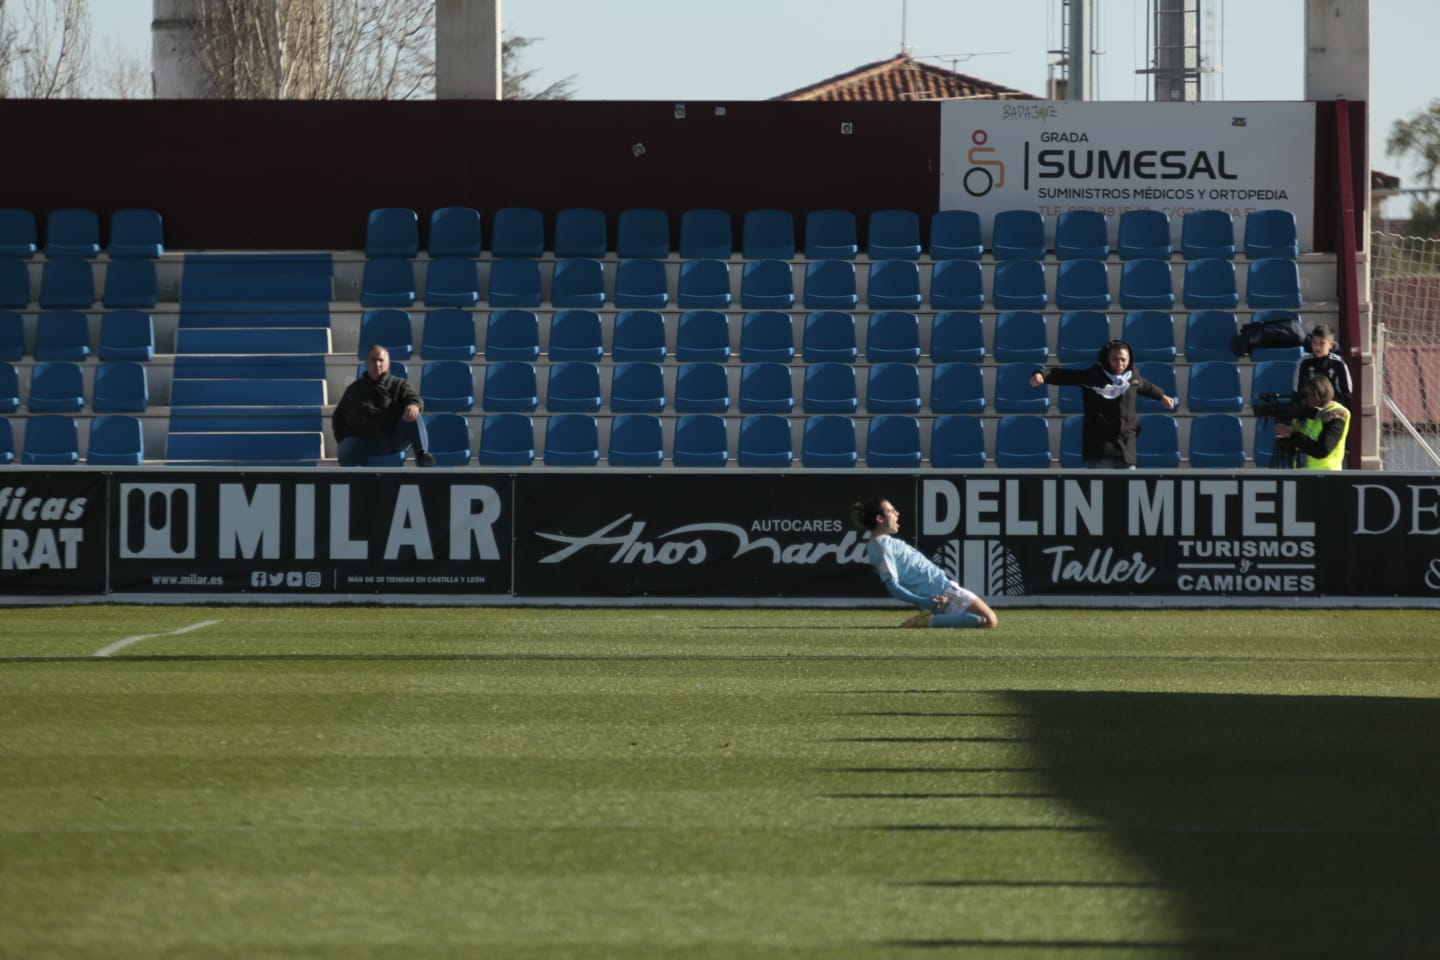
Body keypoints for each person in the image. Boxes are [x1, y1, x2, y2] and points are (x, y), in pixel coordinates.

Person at [851, 497, 998, 629]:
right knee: (990, 621)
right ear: (880, 519)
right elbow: (893, 586)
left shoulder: (885, 543)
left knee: (984, 621)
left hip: (944, 593)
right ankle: (928, 621)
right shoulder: (881, 546)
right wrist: (925, 602)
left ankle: (930, 620)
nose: (897, 513)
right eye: (891, 511)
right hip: (943, 594)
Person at [1029, 339, 1177, 468]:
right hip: (1099, 448)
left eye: (1123, 360)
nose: (1120, 364)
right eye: (1115, 359)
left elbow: (1146, 386)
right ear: (1107, 359)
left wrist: (1162, 396)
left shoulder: (1133, 378)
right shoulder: (1093, 377)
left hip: (1126, 447)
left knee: (1126, 495)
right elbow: (1065, 376)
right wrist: (1041, 375)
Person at [333, 345, 436, 466]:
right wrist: (343, 437)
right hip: (361, 441)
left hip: (391, 440)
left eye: (381, 360)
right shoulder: (354, 389)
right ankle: (357, 479)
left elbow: (413, 397)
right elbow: (338, 417)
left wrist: (413, 405)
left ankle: (422, 455)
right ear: (367, 363)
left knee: (414, 415)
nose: (377, 364)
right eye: (373, 360)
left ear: (388, 364)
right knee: (345, 449)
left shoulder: (399, 384)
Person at [1274, 375, 1350, 470]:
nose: (1305, 399)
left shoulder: (1337, 413)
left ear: (1319, 395)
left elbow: (1322, 450)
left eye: (1308, 395)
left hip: (1326, 474)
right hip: (1301, 472)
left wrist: (1291, 434)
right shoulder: (1305, 412)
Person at [1293, 322, 1353, 410]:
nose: (1317, 347)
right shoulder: (1304, 363)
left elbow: (1347, 393)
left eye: (1322, 343)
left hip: (1332, 409)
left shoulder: (1338, 363)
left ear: (1331, 345)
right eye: (1314, 343)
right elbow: (1297, 392)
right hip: (1310, 407)